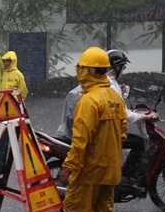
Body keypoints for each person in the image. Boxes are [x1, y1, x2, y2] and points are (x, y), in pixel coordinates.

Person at [58, 47, 128, 212]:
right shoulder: (115, 98)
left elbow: (80, 141)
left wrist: (68, 167)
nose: (79, 72)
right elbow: (122, 134)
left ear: (88, 71)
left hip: (88, 172)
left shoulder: (88, 101)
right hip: (111, 171)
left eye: (81, 68)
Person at [54, 49, 156, 187]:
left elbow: (81, 140)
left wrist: (68, 167)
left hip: (94, 172)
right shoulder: (110, 93)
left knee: (81, 206)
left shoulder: (89, 98)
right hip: (109, 173)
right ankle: (128, 178)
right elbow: (122, 125)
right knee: (137, 143)